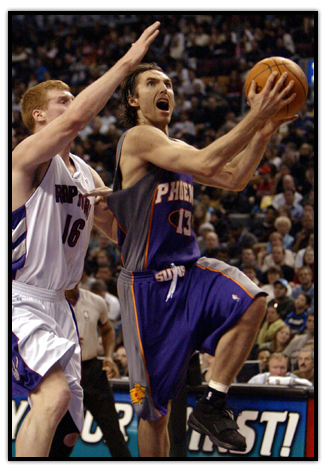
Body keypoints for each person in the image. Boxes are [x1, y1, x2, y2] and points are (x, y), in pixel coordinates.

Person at [86, 61, 297, 457]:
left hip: (188, 273)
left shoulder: (176, 148)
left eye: (168, 82)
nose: (164, 87)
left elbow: (233, 178)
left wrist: (264, 132)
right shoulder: (137, 138)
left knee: (253, 299)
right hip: (146, 288)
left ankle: (213, 405)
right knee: (155, 415)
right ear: (133, 99)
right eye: (152, 83)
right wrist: (255, 115)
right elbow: (207, 164)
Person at [11, 21, 161, 458]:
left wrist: (137, 199)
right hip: (19, 299)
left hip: (62, 307)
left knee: (69, 430)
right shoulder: (26, 157)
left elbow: (120, 234)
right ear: (39, 115)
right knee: (52, 398)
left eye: (73, 100)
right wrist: (128, 62)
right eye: (63, 102)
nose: (74, 107)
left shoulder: (84, 171)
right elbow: (81, 118)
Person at [65, 285, 131, 457]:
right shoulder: (51, 301)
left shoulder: (96, 301)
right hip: (64, 371)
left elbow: (108, 330)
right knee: (64, 435)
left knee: (113, 432)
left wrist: (109, 357)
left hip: (92, 370)